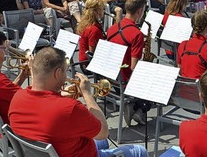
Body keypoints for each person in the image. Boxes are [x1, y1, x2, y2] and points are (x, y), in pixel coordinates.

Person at [8, 47, 148, 157]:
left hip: (47, 151)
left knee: (101, 142)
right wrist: (87, 94)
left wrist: (61, 96)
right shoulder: (70, 108)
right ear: (57, 73)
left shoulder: (17, 97)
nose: (65, 77)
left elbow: (43, 105)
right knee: (139, 151)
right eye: (65, 72)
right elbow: (103, 131)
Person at [106, 0, 146, 82]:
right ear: (139, 11)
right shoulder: (137, 34)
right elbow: (133, 67)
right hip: (124, 80)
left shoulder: (112, 28)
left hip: (109, 75)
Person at [177, 11, 207, 79]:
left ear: (192, 26)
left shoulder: (183, 44)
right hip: (202, 88)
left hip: (184, 87)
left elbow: (179, 67)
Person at [77, 0, 106, 68]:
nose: (104, 11)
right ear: (97, 11)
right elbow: (91, 53)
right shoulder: (94, 29)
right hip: (87, 64)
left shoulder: (86, 24)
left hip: (83, 61)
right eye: (103, 9)